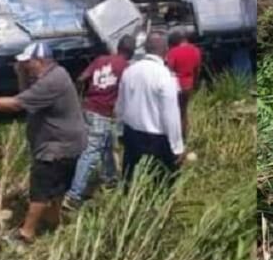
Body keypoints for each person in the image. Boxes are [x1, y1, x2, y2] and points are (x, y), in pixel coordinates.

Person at [0, 42, 86, 244]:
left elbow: (16, 104)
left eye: (27, 63)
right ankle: (54, 223)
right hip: (65, 144)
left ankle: (26, 234)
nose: (25, 66)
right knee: (55, 188)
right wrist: (21, 74)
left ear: (39, 61)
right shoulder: (52, 74)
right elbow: (26, 95)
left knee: (40, 191)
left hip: (56, 148)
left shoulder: (52, 81)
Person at [64, 35, 136, 209]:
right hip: (103, 112)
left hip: (88, 107)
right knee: (91, 152)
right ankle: (74, 195)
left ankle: (110, 180)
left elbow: (81, 79)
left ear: (118, 47)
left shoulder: (100, 60)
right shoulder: (126, 68)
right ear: (132, 52)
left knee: (107, 144)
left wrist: (79, 100)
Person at [116, 32, 184, 185]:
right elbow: (171, 115)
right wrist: (177, 146)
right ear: (166, 50)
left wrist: (120, 131)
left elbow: (120, 104)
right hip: (156, 140)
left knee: (130, 181)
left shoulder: (129, 71)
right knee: (161, 184)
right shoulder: (165, 76)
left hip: (132, 134)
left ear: (146, 49)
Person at [165, 29, 202, 142]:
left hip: (176, 87)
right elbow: (197, 69)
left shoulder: (173, 52)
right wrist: (195, 83)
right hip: (188, 85)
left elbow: (169, 70)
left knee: (173, 112)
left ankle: (175, 138)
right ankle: (184, 136)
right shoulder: (196, 50)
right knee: (184, 111)